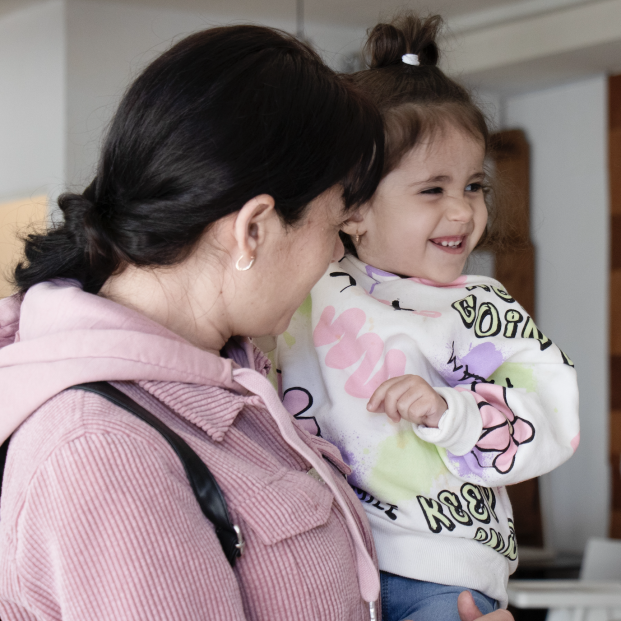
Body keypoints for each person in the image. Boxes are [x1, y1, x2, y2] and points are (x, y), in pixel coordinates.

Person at [0, 23, 512, 621]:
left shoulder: (231, 390)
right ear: (254, 229)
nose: (333, 256)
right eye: (334, 226)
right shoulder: (103, 451)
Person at [275, 14, 579, 621]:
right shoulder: (307, 287)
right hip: (328, 562)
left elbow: (552, 417)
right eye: (432, 190)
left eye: (473, 186)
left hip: (445, 574)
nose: (463, 212)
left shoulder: (482, 308)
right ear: (352, 209)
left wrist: (453, 414)